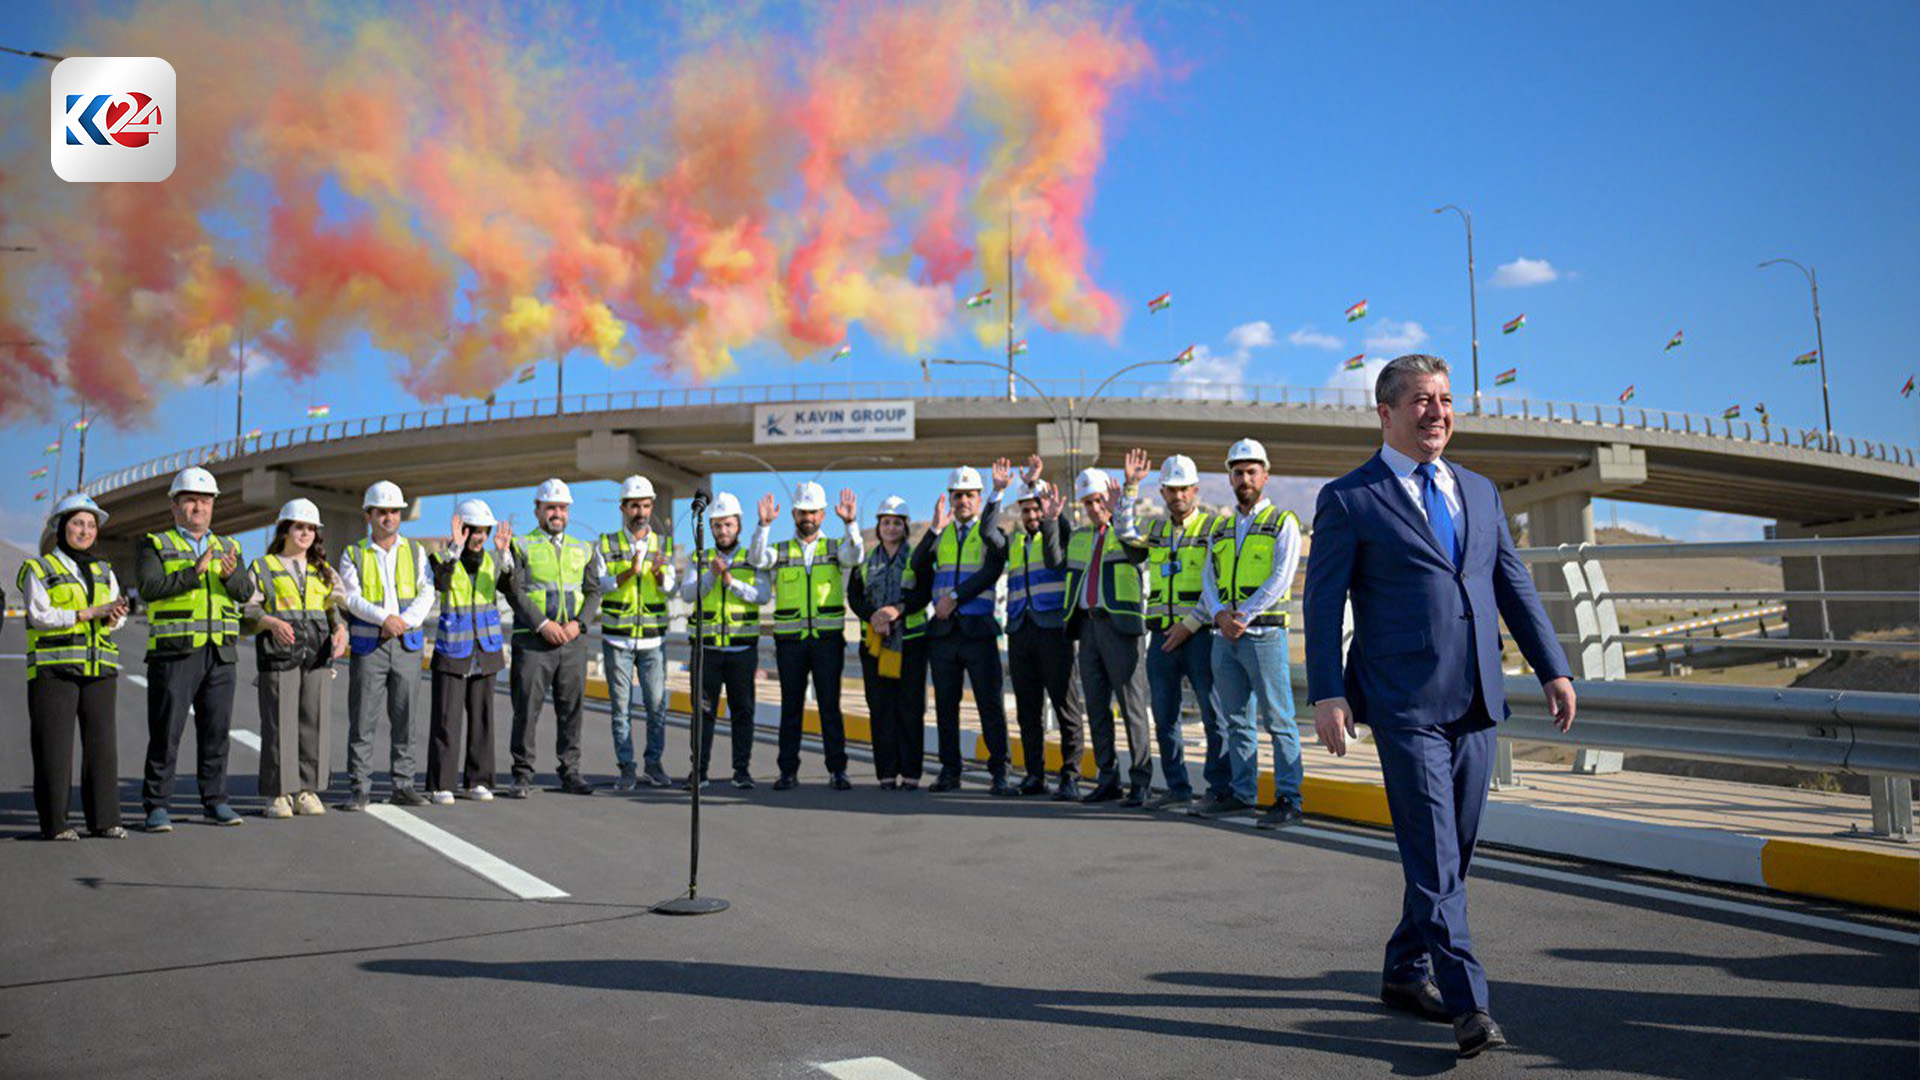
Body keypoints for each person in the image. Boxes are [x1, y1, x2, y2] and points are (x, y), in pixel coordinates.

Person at [1304, 353, 1576, 1058]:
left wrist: (1552, 668)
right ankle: (1470, 1007)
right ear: (1386, 413)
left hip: (1477, 697)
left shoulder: (1480, 491)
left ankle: (1403, 968)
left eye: (1446, 399)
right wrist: (1327, 690)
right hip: (1403, 703)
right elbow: (1324, 600)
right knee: (1433, 852)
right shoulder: (1350, 498)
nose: (1437, 413)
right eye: (1421, 401)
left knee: (1449, 853)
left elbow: (1511, 583)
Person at [138, 466, 254, 832]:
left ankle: (215, 800)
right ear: (174, 507)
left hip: (220, 653)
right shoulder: (155, 544)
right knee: (166, 731)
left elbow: (245, 593)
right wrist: (196, 571)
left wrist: (227, 575)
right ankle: (157, 805)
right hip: (175, 653)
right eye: (190, 501)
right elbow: (149, 588)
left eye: (205, 501)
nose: (198, 508)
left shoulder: (230, 547)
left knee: (216, 732)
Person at [1199, 438, 1303, 826]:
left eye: (1251, 471)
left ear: (1265, 475)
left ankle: (1289, 798)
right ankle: (1242, 795)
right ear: (1230, 476)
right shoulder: (1221, 527)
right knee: (1237, 721)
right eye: (1238, 471)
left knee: (1279, 721)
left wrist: (1244, 614)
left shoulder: (1283, 522)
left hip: (1264, 636)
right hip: (1225, 638)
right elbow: (1207, 578)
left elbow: (1282, 577)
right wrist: (1220, 614)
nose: (1244, 478)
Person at [1117, 449, 1222, 812]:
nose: (1178, 496)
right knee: (1164, 717)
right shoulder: (1158, 532)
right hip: (1161, 637)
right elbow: (1125, 534)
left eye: (1184, 489)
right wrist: (1131, 486)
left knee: (1213, 715)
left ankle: (1217, 787)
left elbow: (1218, 587)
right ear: (1162, 493)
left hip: (1200, 635)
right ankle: (1177, 786)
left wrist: (1189, 625)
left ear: (1195, 490)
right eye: (1171, 490)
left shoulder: (1212, 530)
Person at [20, 493, 128, 840]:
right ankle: (56, 824)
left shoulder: (104, 569)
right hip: (54, 671)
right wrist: (86, 614)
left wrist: (112, 617)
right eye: (77, 523)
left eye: (91, 524)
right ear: (61, 527)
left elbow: (114, 620)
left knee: (102, 748)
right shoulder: (40, 569)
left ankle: (105, 820)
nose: (84, 530)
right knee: (54, 748)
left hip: (99, 669)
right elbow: (39, 616)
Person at [1047, 467, 1153, 805]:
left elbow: (1139, 553)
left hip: (1120, 628)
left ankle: (1140, 782)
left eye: (1099, 501)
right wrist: (1051, 521)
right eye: (1089, 502)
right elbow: (1054, 561)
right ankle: (1108, 778)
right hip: (1087, 629)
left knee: (1131, 707)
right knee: (1096, 708)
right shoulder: (1079, 536)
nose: (1094, 508)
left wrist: (1124, 503)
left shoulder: (1128, 532)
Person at [750, 482, 865, 790]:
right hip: (790, 643)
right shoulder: (781, 550)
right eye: (802, 512)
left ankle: (837, 769)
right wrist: (763, 526)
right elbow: (757, 559)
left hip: (827, 641)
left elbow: (856, 555)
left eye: (813, 512)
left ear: (823, 515)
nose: (807, 517)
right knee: (791, 707)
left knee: (830, 705)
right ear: (794, 514)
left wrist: (851, 523)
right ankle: (787, 771)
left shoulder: (836, 548)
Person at [911, 461, 1015, 795]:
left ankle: (1000, 772)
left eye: (969, 495)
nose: (963, 501)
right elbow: (917, 565)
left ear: (979, 497)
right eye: (957, 495)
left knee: (990, 705)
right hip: (943, 634)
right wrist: (933, 530)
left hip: (978, 631)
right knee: (945, 705)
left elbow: (991, 570)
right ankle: (949, 770)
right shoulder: (941, 536)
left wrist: (954, 597)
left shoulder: (992, 534)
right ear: (950, 498)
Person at [243, 499, 348, 819]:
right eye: (299, 526)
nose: (305, 533)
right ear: (285, 529)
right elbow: (247, 610)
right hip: (278, 652)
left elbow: (334, 609)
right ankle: (278, 793)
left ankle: (307, 790)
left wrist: (341, 629)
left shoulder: (324, 571)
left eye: (311, 528)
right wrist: (271, 623)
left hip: (316, 654)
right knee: (279, 723)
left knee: (314, 722)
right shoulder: (263, 567)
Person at [337, 480, 435, 810]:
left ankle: (403, 784)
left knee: (406, 718)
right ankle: (359, 787)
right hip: (370, 647)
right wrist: (385, 619)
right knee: (363, 718)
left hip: (406, 644)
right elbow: (351, 598)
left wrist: (403, 621)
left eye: (394, 511)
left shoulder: (417, 551)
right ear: (368, 515)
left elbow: (427, 592)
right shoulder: (353, 553)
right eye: (382, 512)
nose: (389, 518)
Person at [502, 478, 603, 797]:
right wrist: (542, 623)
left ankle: (570, 771)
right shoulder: (521, 545)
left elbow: (592, 591)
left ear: (568, 511)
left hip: (572, 642)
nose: (556, 513)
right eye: (550, 507)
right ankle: (522, 774)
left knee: (571, 709)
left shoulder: (583, 547)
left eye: (562, 507)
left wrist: (580, 624)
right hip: (534, 641)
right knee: (526, 709)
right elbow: (514, 591)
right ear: (537, 510)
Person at [1002, 460, 1084, 799]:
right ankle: (1035, 774)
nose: (1032, 515)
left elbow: (1061, 528)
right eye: (1026, 510)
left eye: (1036, 509)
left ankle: (1070, 776)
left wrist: (1038, 488)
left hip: (1053, 632)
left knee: (1066, 707)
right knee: (1028, 710)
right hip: (1021, 631)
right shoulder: (1015, 544)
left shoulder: (1059, 536)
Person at [426, 499, 514, 804]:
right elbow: (439, 582)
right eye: (473, 530)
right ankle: (442, 784)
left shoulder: (493, 561)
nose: (479, 537)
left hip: (486, 649)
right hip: (453, 648)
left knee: (483, 718)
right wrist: (453, 549)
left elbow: (514, 587)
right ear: (461, 529)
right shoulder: (441, 558)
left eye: (483, 531)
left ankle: (478, 780)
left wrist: (506, 557)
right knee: (446, 717)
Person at [679, 492, 767, 789]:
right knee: (703, 712)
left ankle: (741, 771)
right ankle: (699, 771)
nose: (722, 531)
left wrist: (732, 582)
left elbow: (763, 596)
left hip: (742, 649)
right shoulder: (698, 557)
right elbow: (688, 595)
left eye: (728, 525)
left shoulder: (753, 558)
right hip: (707, 650)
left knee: (743, 711)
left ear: (738, 526)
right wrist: (711, 578)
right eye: (717, 526)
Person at [596, 475, 676, 790]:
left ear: (651, 506)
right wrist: (627, 571)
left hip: (653, 639)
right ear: (623, 508)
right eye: (634, 506)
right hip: (617, 638)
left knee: (656, 705)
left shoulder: (663, 545)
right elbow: (599, 584)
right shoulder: (606, 543)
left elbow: (670, 589)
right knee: (621, 709)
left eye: (645, 505)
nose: (639, 512)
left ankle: (654, 765)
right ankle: (627, 768)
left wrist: (657, 574)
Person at [846, 495, 931, 789]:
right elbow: (855, 597)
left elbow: (924, 593)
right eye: (886, 522)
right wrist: (875, 616)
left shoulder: (916, 558)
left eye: (896, 523)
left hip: (911, 643)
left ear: (905, 527)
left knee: (909, 708)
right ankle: (885, 772)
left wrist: (898, 610)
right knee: (880, 708)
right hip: (876, 644)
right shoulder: (866, 560)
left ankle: (910, 773)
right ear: (878, 526)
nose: (891, 528)